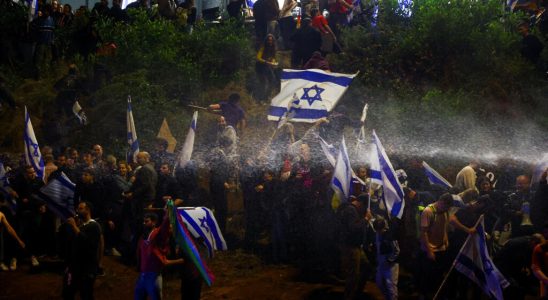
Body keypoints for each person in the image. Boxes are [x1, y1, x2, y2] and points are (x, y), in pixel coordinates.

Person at [135, 213, 184, 300]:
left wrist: (170, 210)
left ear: (154, 222)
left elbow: (165, 225)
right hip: (143, 275)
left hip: (154, 275)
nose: (144, 223)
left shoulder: (157, 234)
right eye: (144, 221)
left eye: (146, 221)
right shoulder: (143, 236)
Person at [63, 202, 102, 300]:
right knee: (68, 292)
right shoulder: (81, 226)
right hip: (75, 267)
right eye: (78, 209)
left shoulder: (94, 226)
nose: (78, 211)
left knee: (86, 294)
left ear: (88, 210)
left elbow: (87, 243)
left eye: (81, 208)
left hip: (87, 269)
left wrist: (74, 227)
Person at [336, 194, 372, 300]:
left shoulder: (352, 210)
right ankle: (349, 296)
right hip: (350, 247)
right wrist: (365, 219)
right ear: (361, 203)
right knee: (353, 276)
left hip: (355, 246)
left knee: (366, 267)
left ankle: (356, 292)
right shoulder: (350, 211)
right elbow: (354, 228)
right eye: (365, 207)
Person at [418, 193, 453, 299]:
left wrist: (446, 240)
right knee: (427, 275)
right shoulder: (428, 211)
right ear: (441, 202)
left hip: (441, 248)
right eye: (446, 206)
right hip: (430, 250)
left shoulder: (445, 211)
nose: (447, 209)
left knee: (438, 275)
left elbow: (444, 227)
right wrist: (429, 251)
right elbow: (423, 233)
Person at [373, 216, 399, 300]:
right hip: (381, 262)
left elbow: (397, 250)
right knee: (379, 282)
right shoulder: (377, 235)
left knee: (391, 286)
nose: (379, 232)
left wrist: (389, 260)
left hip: (391, 265)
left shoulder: (389, 236)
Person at [255, 34, 279, 101]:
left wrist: (273, 63)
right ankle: (260, 98)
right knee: (263, 82)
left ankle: (266, 97)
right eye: (268, 40)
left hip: (267, 66)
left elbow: (273, 57)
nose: (270, 42)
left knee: (273, 80)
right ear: (266, 41)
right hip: (260, 66)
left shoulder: (273, 48)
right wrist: (267, 62)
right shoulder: (263, 47)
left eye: (271, 40)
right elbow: (258, 57)